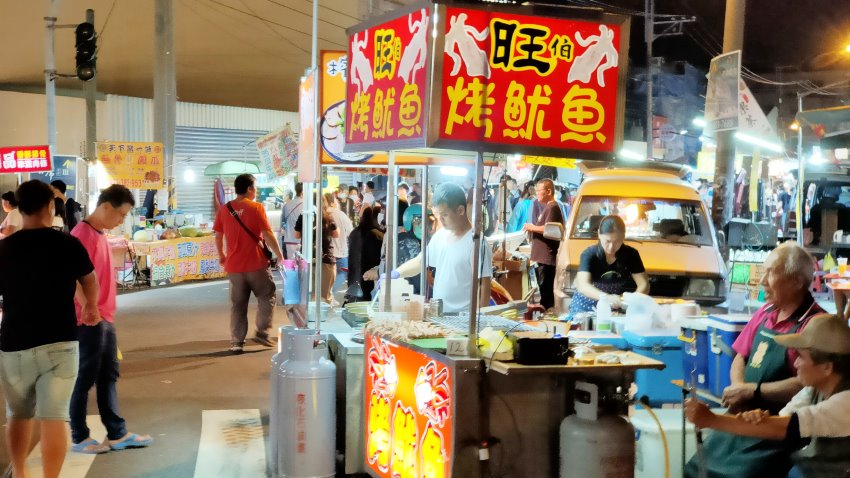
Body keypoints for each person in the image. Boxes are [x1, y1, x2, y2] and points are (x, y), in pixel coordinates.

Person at [683, 241, 825, 478]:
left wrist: (753, 391)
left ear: (797, 282)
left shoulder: (815, 324)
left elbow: (808, 384)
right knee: (696, 467)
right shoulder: (765, 312)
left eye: (771, 273)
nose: (762, 281)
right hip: (744, 416)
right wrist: (738, 387)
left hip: (777, 426)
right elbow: (741, 355)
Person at [0, 180, 100, 477]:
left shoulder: (4, 249)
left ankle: (19, 472)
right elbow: (89, 279)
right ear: (50, 206)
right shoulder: (67, 243)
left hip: (15, 343)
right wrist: (90, 307)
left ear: (19, 208)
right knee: (54, 417)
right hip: (59, 341)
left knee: (18, 415)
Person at [686, 313, 850, 478]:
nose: (795, 363)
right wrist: (759, 418)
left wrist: (711, 420)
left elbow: (783, 428)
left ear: (827, 367)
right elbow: (782, 419)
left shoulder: (845, 403)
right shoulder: (813, 389)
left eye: (801, 357)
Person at [69, 184, 154, 454]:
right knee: (84, 377)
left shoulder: (99, 234)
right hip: (90, 319)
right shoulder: (81, 235)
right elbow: (72, 278)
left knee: (108, 374)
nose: (121, 220)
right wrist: (87, 308)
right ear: (106, 207)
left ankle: (117, 433)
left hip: (103, 316)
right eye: (122, 214)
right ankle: (79, 436)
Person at [380, 183, 492, 313]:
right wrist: (396, 273)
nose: (440, 220)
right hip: (440, 315)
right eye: (438, 215)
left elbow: (484, 285)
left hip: (464, 318)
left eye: (444, 215)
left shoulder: (477, 243)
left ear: (460, 210)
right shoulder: (441, 235)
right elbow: (420, 261)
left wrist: (480, 319)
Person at [214, 174, 284, 354]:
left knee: (238, 304)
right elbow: (267, 234)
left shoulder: (224, 209)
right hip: (256, 265)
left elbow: (218, 235)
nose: (257, 190)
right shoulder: (256, 208)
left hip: (234, 268)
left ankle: (237, 342)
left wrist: (222, 254)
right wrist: (280, 255)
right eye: (255, 187)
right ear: (249, 189)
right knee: (267, 295)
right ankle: (261, 331)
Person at [569, 215, 649, 314]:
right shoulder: (589, 254)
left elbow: (644, 284)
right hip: (585, 307)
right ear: (599, 234)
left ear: (623, 236)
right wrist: (606, 297)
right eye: (607, 241)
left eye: (616, 242)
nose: (611, 247)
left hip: (613, 307)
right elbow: (583, 285)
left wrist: (632, 299)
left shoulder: (631, 254)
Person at [523, 179, 565, 310]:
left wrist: (532, 227)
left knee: (546, 294)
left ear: (549, 191)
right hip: (542, 258)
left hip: (547, 258)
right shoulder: (547, 207)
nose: (536, 194)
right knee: (544, 291)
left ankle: (547, 316)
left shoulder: (553, 207)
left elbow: (549, 229)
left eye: (538, 191)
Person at [294, 195, 339, 303]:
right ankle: (324, 318)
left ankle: (311, 318)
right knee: (325, 296)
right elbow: (336, 234)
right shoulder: (328, 217)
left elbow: (296, 235)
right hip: (326, 258)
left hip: (308, 258)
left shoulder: (304, 216)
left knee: (309, 295)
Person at [347, 207, 384, 302]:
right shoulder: (376, 233)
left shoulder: (354, 233)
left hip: (354, 273)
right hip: (369, 274)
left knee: (355, 299)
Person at [324, 192, 353, 302]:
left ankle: (327, 293)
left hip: (326, 252)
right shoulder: (341, 215)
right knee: (344, 272)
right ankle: (329, 293)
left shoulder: (323, 214)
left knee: (328, 275)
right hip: (341, 251)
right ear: (333, 201)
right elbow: (351, 232)